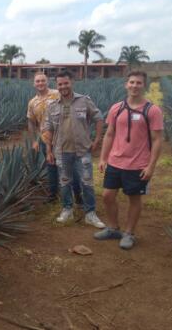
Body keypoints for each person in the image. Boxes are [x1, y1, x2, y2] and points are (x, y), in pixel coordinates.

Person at [94, 71, 163, 250]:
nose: (134, 86)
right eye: (131, 82)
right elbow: (109, 134)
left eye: (138, 83)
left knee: (134, 199)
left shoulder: (152, 110)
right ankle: (113, 228)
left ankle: (129, 233)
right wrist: (103, 158)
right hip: (115, 161)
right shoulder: (116, 108)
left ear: (144, 86)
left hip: (138, 164)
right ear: (126, 85)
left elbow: (157, 140)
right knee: (107, 196)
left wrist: (151, 166)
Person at [42, 71, 105, 228]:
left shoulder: (84, 101)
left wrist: (97, 139)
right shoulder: (52, 106)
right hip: (61, 151)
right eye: (60, 84)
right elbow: (48, 128)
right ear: (57, 86)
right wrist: (49, 150)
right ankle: (67, 209)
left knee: (87, 182)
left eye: (66, 83)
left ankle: (90, 213)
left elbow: (99, 118)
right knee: (64, 182)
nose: (63, 86)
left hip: (82, 150)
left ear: (72, 82)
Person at [27, 72, 83, 204]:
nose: (40, 83)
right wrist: (34, 140)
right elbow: (30, 121)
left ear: (47, 82)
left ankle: (78, 195)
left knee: (70, 167)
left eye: (42, 80)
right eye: (37, 81)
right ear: (34, 84)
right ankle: (53, 194)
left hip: (64, 138)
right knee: (51, 167)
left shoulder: (57, 94)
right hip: (45, 139)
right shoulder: (32, 102)